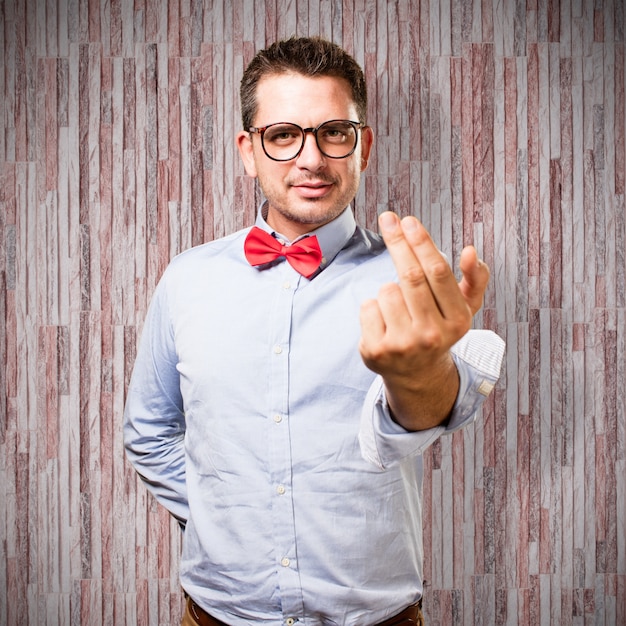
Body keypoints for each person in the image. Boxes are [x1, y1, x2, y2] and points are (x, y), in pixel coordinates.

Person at [123, 36, 505, 626]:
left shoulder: (413, 284)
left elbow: (430, 414)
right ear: (248, 151)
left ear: (363, 145)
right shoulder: (185, 279)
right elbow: (149, 432)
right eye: (282, 135)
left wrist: (421, 378)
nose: (310, 159)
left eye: (334, 132)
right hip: (215, 615)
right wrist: (218, 518)